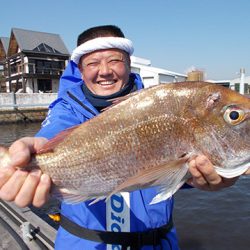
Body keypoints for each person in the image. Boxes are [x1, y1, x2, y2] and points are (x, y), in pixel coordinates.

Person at [0, 25, 242, 250]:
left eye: (115, 60)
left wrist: (212, 177)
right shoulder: (65, 109)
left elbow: (178, 173)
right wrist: (30, 157)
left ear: (128, 64)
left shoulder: (159, 104)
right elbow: (52, 133)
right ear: (81, 71)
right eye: (93, 63)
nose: (105, 71)